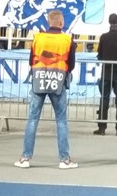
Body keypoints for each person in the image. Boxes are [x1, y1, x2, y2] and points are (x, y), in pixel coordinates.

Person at [14, 10, 78, 169]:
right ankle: (64, 160)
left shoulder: (38, 38)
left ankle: (25, 158)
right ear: (61, 23)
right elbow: (71, 64)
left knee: (32, 119)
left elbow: (31, 60)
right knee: (61, 120)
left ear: (49, 22)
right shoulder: (67, 39)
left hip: (39, 80)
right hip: (58, 82)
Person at [94, 13, 117, 136]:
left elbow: (99, 55)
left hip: (106, 72)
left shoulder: (104, 37)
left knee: (104, 98)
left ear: (109, 22)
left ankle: (102, 127)